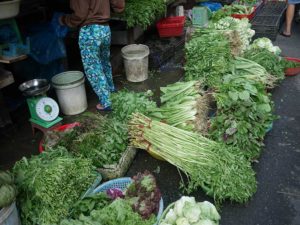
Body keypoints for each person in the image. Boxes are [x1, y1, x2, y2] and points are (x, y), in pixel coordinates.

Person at [60, 0, 125, 111]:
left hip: (90, 31)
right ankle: (111, 91)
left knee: (93, 68)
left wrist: (64, 19)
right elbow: (119, 5)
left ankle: (107, 101)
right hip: (105, 29)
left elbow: (80, 14)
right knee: (104, 62)